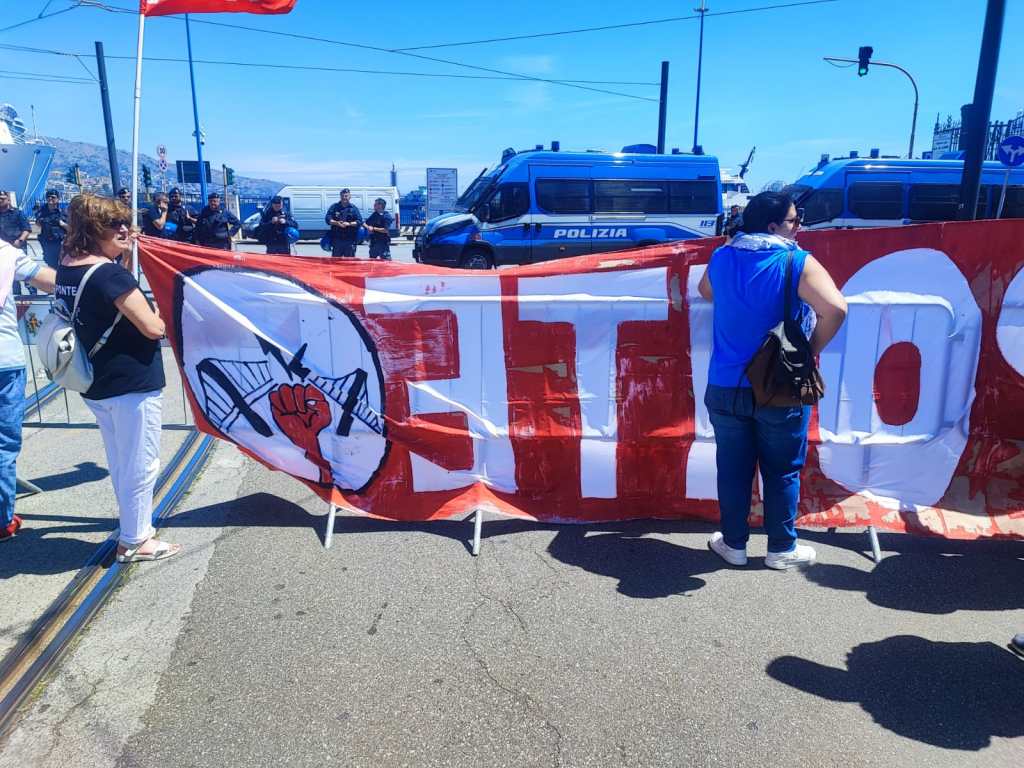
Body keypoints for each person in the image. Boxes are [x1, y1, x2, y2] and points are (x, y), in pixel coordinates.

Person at [697, 192, 847, 569]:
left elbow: (705, 291)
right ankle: (781, 548)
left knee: (732, 467)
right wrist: (808, 350)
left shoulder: (722, 256)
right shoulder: (795, 261)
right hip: (779, 384)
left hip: (725, 385)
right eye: (795, 221)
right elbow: (836, 309)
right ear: (773, 226)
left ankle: (733, 545)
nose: (800, 228)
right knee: (781, 468)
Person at [54, 194, 178, 562]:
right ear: (93, 229)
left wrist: (123, 256)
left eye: (125, 222)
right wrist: (156, 310)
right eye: (113, 224)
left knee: (122, 459)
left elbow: (100, 298)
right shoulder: (111, 275)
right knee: (141, 462)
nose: (124, 229)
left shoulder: (69, 264)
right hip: (130, 381)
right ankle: (136, 540)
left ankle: (133, 528)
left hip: (97, 381)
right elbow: (153, 327)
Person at [0, 240, 56, 542]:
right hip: (4, 361)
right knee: (2, 445)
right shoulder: (4, 253)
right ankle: (1, 521)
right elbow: (50, 282)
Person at [325, 188, 362, 258]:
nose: (344, 197)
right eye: (342, 196)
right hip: (337, 240)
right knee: (335, 263)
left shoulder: (354, 208)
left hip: (350, 240)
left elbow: (359, 221)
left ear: (350, 197)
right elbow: (327, 219)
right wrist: (336, 223)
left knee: (350, 263)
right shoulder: (334, 207)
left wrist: (349, 224)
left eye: (346, 196)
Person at [36, 189, 67, 269]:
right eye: (48, 197)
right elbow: (38, 224)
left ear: (58, 199)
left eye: (53, 197)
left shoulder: (63, 212)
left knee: (62, 263)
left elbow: (71, 228)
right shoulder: (42, 212)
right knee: (50, 263)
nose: (50, 199)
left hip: (60, 242)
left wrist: (62, 224)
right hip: (47, 242)